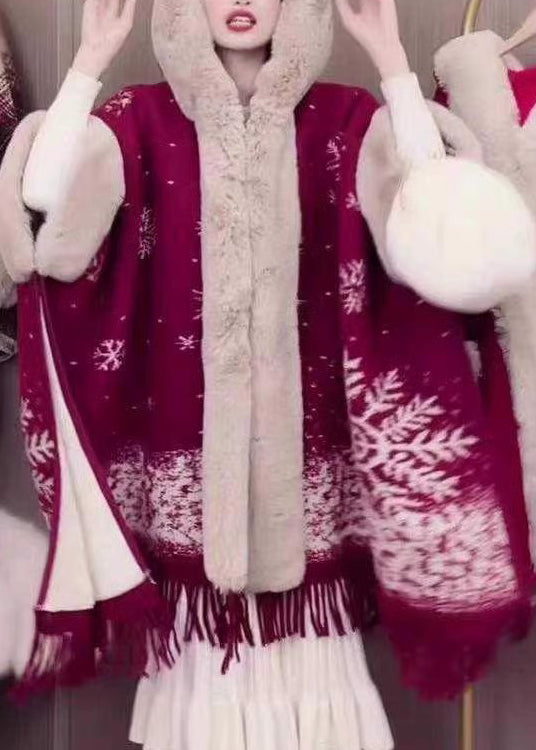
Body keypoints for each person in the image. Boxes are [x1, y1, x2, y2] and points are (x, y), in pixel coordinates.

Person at [0, 1, 535, 748]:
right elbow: (45, 215)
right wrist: (90, 59)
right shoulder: (137, 121)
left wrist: (389, 58)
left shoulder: (345, 121)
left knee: (319, 697)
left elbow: (430, 212)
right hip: (188, 484)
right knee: (201, 699)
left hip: (311, 484)